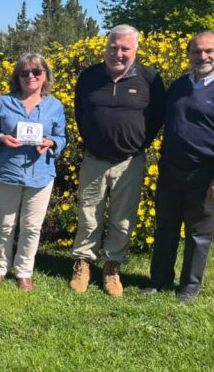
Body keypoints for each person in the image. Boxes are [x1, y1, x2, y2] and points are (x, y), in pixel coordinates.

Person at [148, 31, 214, 303]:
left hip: (206, 175)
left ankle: (189, 287)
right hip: (171, 172)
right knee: (165, 229)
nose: (202, 56)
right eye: (196, 51)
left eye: (209, 51)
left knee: (199, 235)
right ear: (189, 54)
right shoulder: (179, 86)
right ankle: (159, 280)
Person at [69, 25, 166, 297]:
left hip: (129, 162)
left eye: (125, 48)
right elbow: (80, 113)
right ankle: (83, 264)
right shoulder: (90, 76)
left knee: (123, 219)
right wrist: (95, 140)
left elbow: (157, 117)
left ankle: (112, 268)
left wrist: (137, 145)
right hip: (94, 159)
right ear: (106, 48)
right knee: (88, 216)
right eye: (113, 47)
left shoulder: (149, 79)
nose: (118, 53)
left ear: (135, 50)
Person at [0, 54, 67, 291]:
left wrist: (51, 143)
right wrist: (1, 138)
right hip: (8, 172)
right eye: (25, 72)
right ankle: (0, 268)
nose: (31, 76)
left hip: (41, 174)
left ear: (45, 76)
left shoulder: (54, 106)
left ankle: (24, 271)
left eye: (37, 72)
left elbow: (62, 137)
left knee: (31, 227)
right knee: (5, 224)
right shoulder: (4, 102)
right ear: (17, 77)